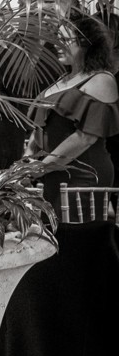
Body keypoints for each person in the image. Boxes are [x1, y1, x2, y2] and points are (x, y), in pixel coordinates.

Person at [28, 16, 119, 215]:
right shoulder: (64, 77)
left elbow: (84, 138)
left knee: (75, 238)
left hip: (83, 175)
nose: (57, 45)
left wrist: (40, 168)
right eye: (57, 38)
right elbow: (40, 128)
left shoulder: (101, 79)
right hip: (50, 172)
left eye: (66, 40)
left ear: (87, 44)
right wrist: (27, 163)